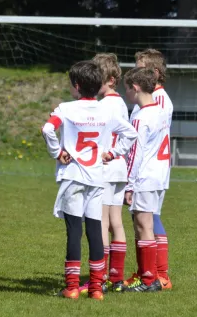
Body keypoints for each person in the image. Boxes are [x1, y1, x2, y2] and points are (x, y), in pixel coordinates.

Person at [42, 61, 138, 300]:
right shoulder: (107, 111)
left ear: (76, 86)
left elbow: (47, 129)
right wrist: (112, 153)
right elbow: (130, 134)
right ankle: (96, 288)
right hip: (97, 178)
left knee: (74, 231)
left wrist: (57, 152)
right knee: (95, 230)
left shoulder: (66, 108)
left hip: (74, 176)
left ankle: (72, 287)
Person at [78, 53, 130, 295]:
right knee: (116, 223)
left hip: (106, 168)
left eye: (97, 79)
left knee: (100, 223)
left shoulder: (104, 105)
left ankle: (98, 279)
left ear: (109, 79)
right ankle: (115, 278)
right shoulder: (120, 103)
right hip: (120, 168)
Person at [125, 49, 173, 290]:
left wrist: (129, 181)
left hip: (148, 171)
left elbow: (141, 144)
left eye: (140, 68)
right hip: (154, 169)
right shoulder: (155, 103)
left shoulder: (156, 102)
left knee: (148, 222)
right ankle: (151, 274)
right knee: (146, 221)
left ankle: (156, 276)